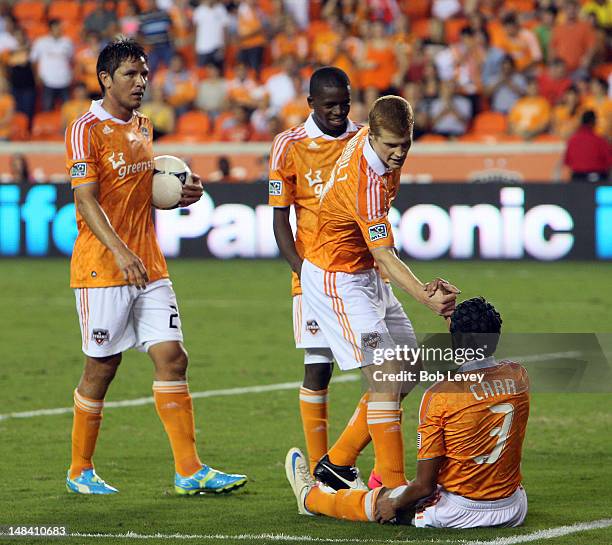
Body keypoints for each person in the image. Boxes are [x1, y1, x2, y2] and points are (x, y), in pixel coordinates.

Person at [64, 38, 247, 495]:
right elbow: (85, 200)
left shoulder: (145, 126)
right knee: (101, 367)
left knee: (173, 358)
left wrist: (178, 194)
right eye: (130, 74)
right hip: (101, 268)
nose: (141, 82)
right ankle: (79, 470)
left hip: (149, 264)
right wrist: (121, 251)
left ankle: (189, 469)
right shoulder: (84, 128)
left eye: (144, 74)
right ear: (105, 79)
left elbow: (139, 191)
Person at [298, 96, 458, 492]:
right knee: (387, 376)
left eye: (406, 143)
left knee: (409, 369)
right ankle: (393, 487)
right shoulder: (366, 181)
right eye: (392, 146)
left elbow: (381, 260)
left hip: (366, 277)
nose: (400, 153)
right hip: (338, 279)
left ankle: (337, 463)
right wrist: (426, 296)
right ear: (374, 136)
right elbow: (385, 256)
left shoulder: (371, 140)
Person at [286, 297, 530, 530]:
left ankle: (311, 499)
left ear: (455, 340)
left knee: (384, 499)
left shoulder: (440, 395)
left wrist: (393, 504)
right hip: (513, 507)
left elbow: (424, 486)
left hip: (459, 511)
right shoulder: (519, 376)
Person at [268, 66, 361, 475]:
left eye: (344, 103)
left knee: (383, 370)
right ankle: (323, 467)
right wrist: (301, 270)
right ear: (310, 104)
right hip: (312, 274)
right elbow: (279, 219)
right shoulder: (287, 145)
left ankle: (341, 462)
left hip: (359, 274)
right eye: (330, 106)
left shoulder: (362, 139)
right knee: (318, 367)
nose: (339, 112)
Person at [31, 19, 73, 111]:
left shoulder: (68, 42)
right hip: (47, 81)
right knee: (47, 110)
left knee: (67, 110)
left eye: (59, 27)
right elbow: (33, 61)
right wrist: (37, 76)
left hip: (64, 80)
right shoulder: (40, 42)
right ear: (50, 29)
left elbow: (71, 60)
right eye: (56, 27)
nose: (58, 29)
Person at [563, 110, 612, 182]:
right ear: (593, 122)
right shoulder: (599, 141)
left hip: (577, 179)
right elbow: (609, 161)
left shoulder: (572, 140)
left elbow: (568, 162)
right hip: (597, 179)